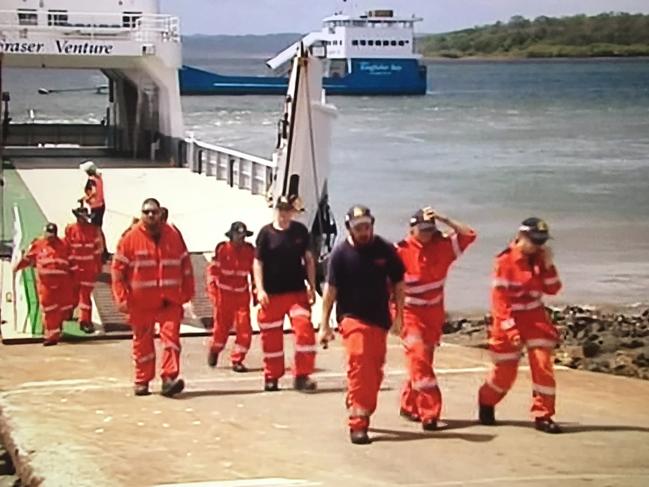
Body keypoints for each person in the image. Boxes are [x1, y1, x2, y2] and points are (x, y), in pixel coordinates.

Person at [319, 205, 405, 445]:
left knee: (373, 372)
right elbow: (330, 290)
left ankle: (359, 403)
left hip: (379, 319)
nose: (364, 231)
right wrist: (324, 324)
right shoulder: (340, 254)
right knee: (360, 361)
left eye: (367, 226)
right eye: (359, 228)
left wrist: (400, 317)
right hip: (351, 318)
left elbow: (399, 283)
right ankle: (358, 424)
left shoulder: (385, 249)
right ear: (349, 228)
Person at [478, 217, 563, 434]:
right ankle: (487, 400)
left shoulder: (540, 259)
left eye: (541, 241)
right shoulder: (504, 262)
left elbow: (553, 289)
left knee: (543, 366)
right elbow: (500, 301)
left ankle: (543, 415)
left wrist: (548, 265)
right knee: (504, 374)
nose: (538, 246)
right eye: (534, 241)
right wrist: (510, 329)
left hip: (535, 318)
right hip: (509, 319)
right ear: (521, 237)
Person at [395, 207, 477, 430]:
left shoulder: (443, 247)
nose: (426, 235)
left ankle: (408, 404)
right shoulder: (399, 252)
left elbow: (469, 234)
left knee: (422, 363)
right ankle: (430, 412)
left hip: (433, 315)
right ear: (412, 229)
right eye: (422, 230)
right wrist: (394, 319)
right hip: (409, 314)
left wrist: (444, 218)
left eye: (430, 230)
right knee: (419, 359)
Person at [111, 198, 195, 397]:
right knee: (142, 344)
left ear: (161, 213)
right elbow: (117, 271)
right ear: (141, 214)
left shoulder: (173, 235)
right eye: (147, 212)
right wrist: (121, 298)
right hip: (141, 303)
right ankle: (142, 380)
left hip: (170, 300)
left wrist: (188, 292)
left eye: (154, 212)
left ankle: (169, 379)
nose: (151, 216)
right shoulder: (130, 238)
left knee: (171, 341)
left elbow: (185, 264)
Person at [253, 195, 318, 392]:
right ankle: (271, 376)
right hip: (272, 295)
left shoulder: (300, 232)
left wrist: (312, 286)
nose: (283, 214)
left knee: (305, 332)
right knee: (271, 338)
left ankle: (302, 375)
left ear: (292, 212)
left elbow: (308, 259)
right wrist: (260, 288)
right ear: (276, 210)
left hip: (296, 293)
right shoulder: (266, 233)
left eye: (287, 210)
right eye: (280, 210)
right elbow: (258, 262)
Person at [13, 223, 75, 346]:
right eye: (49, 235)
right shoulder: (38, 244)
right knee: (49, 309)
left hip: (63, 284)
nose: (50, 238)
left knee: (63, 308)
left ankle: (57, 328)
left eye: (52, 235)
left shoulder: (64, 244)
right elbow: (28, 259)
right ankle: (52, 336)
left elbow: (72, 261)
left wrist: (74, 278)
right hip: (46, 285)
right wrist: (17, 267)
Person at [206, 221, 255, 372]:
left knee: (244, 329)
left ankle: (237, 359)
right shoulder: (222, 250)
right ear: (232, 235)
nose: (241, 239)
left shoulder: (249, 250)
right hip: (224, 296)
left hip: (241, 296)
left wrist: (256, 290)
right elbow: (212, 274)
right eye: (238, 235)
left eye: (243, 236)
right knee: (221, 330)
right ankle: (214, 349)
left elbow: (255, 272)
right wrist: (214, 296)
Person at [65, 207, 103, 334]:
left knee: (85, 296)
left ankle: (85, 321)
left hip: (88, 269)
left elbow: (98, 250)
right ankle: (68, 311)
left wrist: (98, 267)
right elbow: (66, 247)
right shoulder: (70, 229)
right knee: (72, 294)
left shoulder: (94, 230)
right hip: (74, 268)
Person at [79, 161, 108, 260]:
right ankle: (104, 249)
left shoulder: (91, 180)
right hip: (101, 204)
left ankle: (101, 251)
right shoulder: (99, 178)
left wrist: (87, 198)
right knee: (99, 228)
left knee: (96, 229)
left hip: (96, 207)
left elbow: (94, 192)